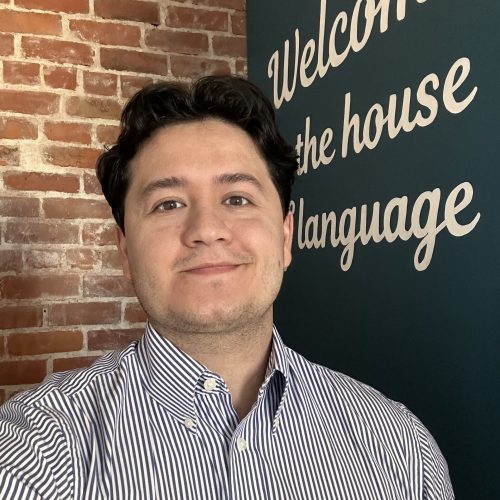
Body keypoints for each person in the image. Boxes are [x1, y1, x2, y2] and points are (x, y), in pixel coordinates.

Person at [0, 76, 454, 499]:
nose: (207, 229)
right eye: (168, 203)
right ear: (124, 251)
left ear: (284, 235)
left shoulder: (400, 449)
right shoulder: (38, 448)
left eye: (237, 198)